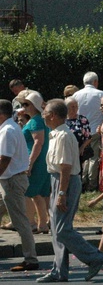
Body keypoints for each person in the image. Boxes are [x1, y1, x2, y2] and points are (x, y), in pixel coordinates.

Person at [38, 99, 103, 283]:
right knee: (56, 228)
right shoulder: (55, 134)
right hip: (58, 180)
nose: (43, 115)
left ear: (53, 115)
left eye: (45, 113)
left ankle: (95, 257)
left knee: (61, 230)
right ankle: (59, 271)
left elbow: (66, 167)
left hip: (65, 182)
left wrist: (61, 193)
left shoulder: (63, 136)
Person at [0, 99, 39, 272]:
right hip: (9, 179)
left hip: (12, 180)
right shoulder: (10, 127)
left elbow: (4, 159)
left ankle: (31, 259)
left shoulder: (7, 130)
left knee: (20, 221)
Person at [15, 89, 50, 234]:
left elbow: (38, 143)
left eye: (26, 104)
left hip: (36, 160)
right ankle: (42, 224)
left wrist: (30, 163)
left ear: (34, 105)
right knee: (37, 194)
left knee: (29, 193)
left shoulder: (35, 121)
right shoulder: (38, 120)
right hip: (39, 160)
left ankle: (31, 223)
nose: (24, 107)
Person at [64, 97, 92, 171]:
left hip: (78, 152)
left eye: (76, 106)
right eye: (72, 107)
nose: (75, 109)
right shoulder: (62, 120)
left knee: (77, 172)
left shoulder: (82, 119)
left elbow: (88, 137)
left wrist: (82, 147)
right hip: (65, 151)